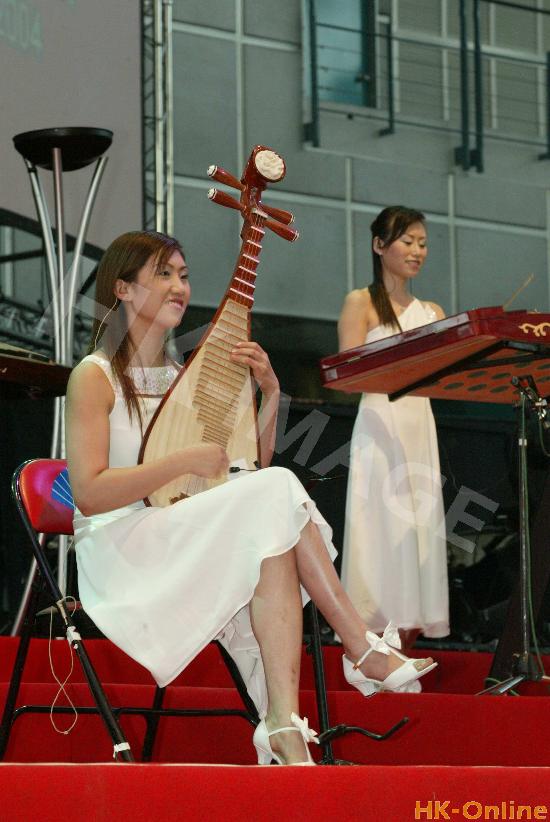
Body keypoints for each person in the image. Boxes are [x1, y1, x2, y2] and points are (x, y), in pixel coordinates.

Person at [66, 229, 436, 766]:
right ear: (122, 288)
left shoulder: (184, 376)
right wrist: (179, 462)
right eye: (163, 274)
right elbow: (89, 493)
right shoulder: (94, 376)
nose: (179, 287)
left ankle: (283, 722)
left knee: (271, 527)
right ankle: (358, 647)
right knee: (274, 506)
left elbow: (245, 469)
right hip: (124, 548)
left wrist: (270, 394)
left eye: (184, 275)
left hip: (181, 529)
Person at [338, 206, 449, 650]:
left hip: (420, 426)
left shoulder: (433, 311)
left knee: (418, 532)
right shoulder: (360, 302)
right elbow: (346, 377)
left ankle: (407, 648)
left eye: (422, 243)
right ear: (379, 245)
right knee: (378, 530)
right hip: (379, 425)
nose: (417, 251)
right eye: (408, 241)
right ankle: (371, 649)